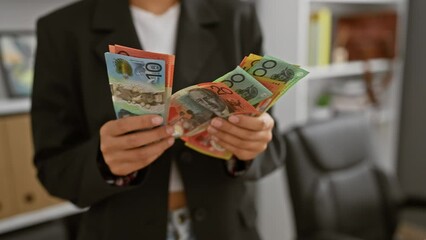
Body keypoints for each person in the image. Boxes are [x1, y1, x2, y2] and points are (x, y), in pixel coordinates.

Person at [31, 0, 284, 239]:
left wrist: (252, 145)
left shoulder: (238, 16)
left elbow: (273, 147)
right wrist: (103, 163)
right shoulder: (62, 29)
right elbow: (53, 168)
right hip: (120, 229)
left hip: (226, 227)